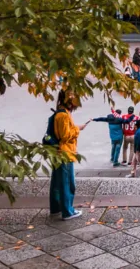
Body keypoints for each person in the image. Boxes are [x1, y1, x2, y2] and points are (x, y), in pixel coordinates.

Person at [47, 91, 89, 220]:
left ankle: (56, 208)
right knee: (67, 183)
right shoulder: (64, 115)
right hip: (65, 153)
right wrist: (78, 129)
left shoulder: (59, 113)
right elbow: (65, 136)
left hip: (57, 152)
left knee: (57, 182)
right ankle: (67, 211)